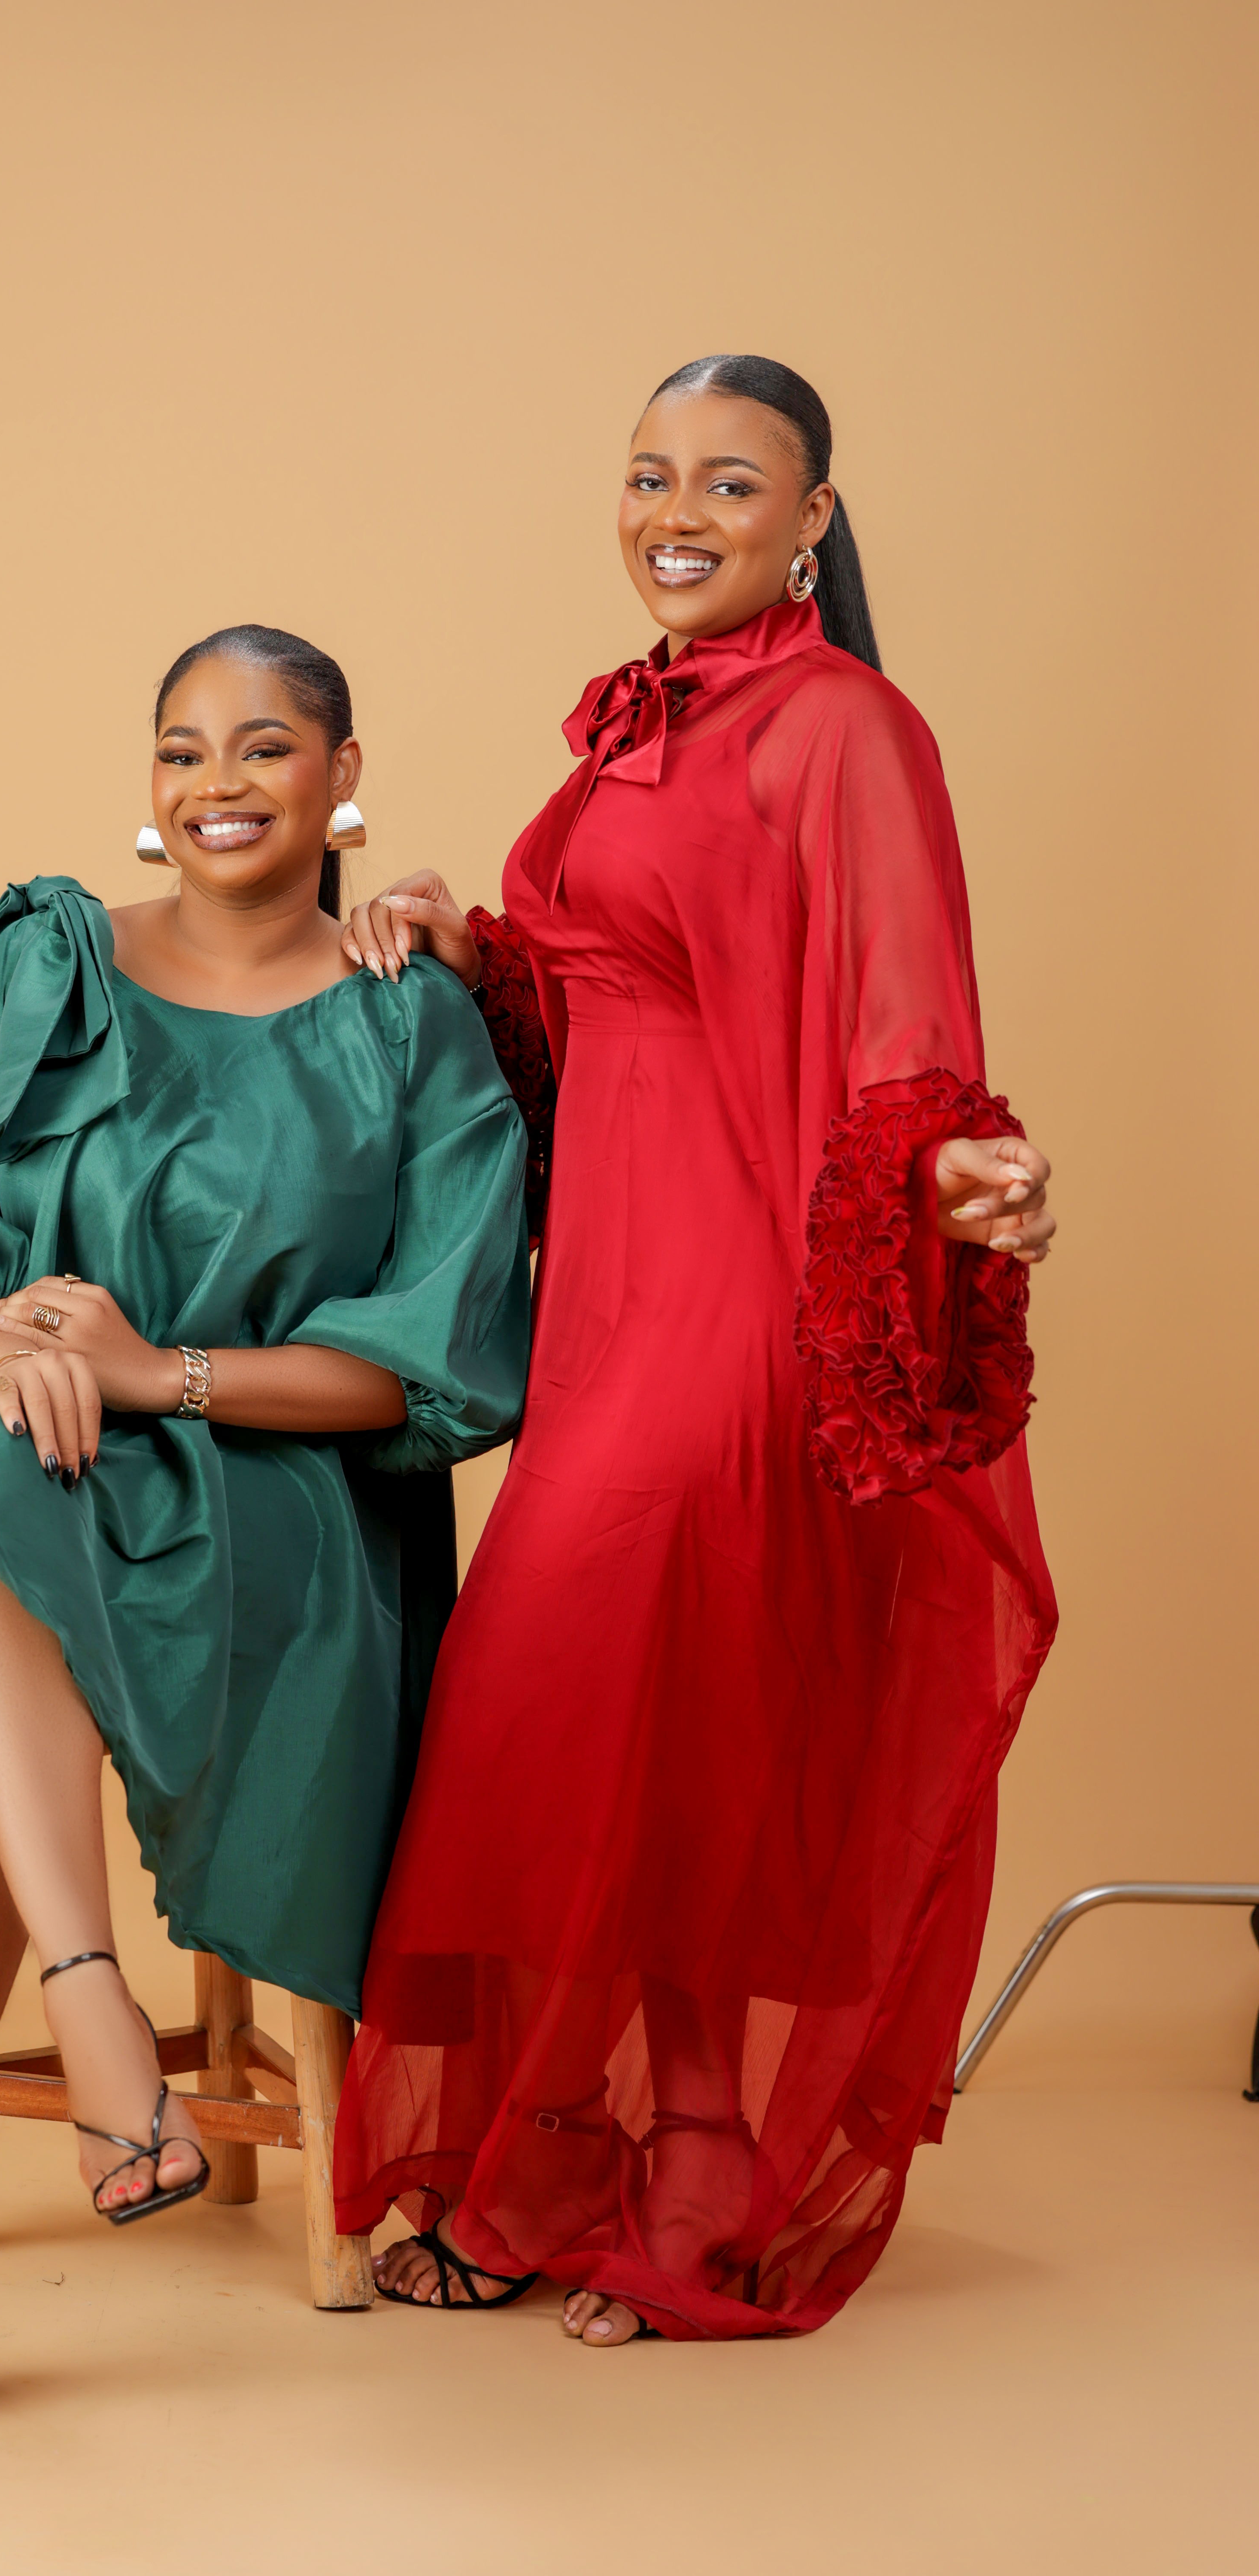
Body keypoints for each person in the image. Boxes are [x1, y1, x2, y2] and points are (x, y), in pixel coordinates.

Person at [331, 355, 1059, 2345]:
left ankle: (682, 2176)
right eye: (648, 474)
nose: (678, 509)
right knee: (633, 1733)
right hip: (606, 1300)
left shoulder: (844, 730)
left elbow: (909, 1029)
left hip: (736, 1306)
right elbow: (594, 1016)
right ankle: (623, 2155)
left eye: (728, 481)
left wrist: (971, 1190)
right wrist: (462, 938)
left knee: (603, 1700)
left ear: (811, 517)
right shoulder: (638, 730)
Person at [0, 625, 530, 2446]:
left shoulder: (406, 1015)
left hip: (289, 1507)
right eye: (183, 751)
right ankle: (84, 2012)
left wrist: (149, 1367)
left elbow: (446, 1364)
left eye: (265, 749)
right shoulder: (55, 961)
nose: (218, 785)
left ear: (344, 777)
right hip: (39, 1456)